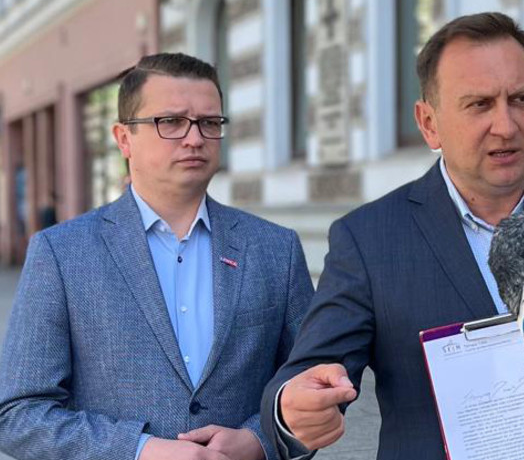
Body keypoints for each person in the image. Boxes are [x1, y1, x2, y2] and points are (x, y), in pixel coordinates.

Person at [260, 12, 524, 460]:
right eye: (480, 104)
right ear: (429, 123)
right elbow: (304, 380)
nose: (506, 125)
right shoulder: (369, 241)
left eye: (521, 99)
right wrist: (295, 409)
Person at [0, 53, 313, 460]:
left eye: (209, 122)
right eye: (171, 121)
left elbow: (312, 381)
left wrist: (259, 441)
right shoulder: (62, 253)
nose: (194, 138)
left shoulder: (275, 248)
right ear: (123, 138)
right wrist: (140, 450)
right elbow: (19, 414)